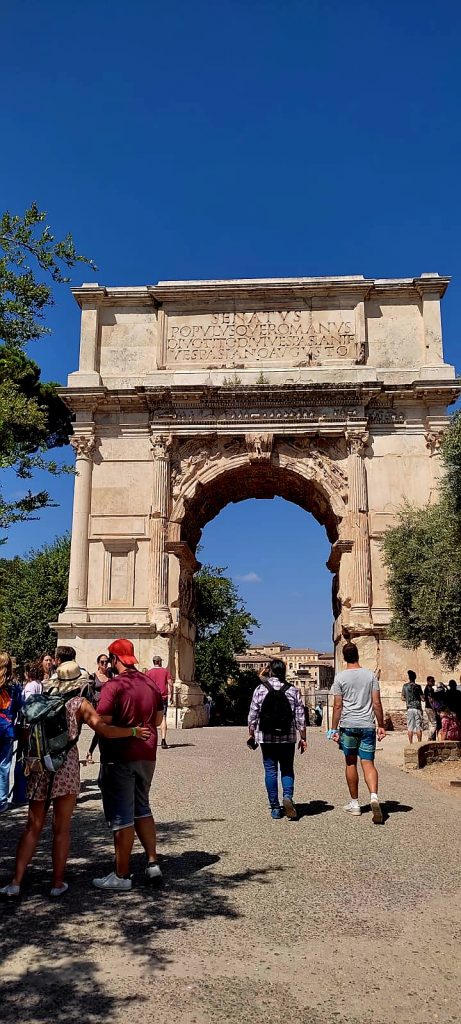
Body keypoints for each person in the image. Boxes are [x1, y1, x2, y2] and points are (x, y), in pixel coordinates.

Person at [0, 659, 150, 898]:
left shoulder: (39, 702)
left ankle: (15, 882)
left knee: (32, 826)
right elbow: (104, 730)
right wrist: (133, 731)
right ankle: (57, 883)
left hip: (40, 766)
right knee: (62, 828)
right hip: (66, 767)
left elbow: (26, 734)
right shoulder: (80, 703)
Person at [93, 638, 164, 892]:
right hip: (147, 753)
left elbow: (104, 722)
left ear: (113, 659)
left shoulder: (114, 686)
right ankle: (153, 862)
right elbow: (157, 718)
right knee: (142, 807)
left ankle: (121, 875)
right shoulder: (150, 683)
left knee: (122, 815)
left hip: (120, 755)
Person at [329, 641, 386, 824]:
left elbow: (338, 705)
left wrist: (333, 728)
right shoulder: (370, 676)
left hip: (348, 725)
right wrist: (381, 724)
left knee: (350, 762)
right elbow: (376, 703)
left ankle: (355, 804)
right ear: (358, 655)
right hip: (367, 725)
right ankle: (374, 797)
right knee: (368, 762)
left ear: (343, 657)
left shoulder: (340, 678)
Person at [248, 659, 307, 820]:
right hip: (287, 736)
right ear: (284, 671)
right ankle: (287, 796)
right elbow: (300, 716)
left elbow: (253, 713)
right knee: (287, 768)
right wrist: (303, 737)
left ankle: (275, 807)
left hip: (266, 736)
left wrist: (252, 731)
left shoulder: (261, 689)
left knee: (270, 770)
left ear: (270, 671)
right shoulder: (293, 690)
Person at [0, 653, 23, 813]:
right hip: (6, 729)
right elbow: (21, 708)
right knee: (4, 766)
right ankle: (1, 801)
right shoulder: (14, 686)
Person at [85, 654, 112, 763]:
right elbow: (89, 693)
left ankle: (93, 752)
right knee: (99, 730)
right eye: (102, 662)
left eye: (106, 661)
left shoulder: (111, 676)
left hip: (108, 707)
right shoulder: (93, 676)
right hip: (97, 707)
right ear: (98, 663)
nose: (104, 664)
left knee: (102, 731)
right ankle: (97, 754)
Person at [146, 655, 173, 750]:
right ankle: (163, 740)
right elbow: (170, 684)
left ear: (153, 662)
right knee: (163, 718)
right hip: (163, 697)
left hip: (152, 697)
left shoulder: (148, 673)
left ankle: (149, 740)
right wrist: (172, 695)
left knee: (150, 718)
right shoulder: (165, 672)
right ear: (160, 662)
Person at [401, 670, 424, 744]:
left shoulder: (405, 686)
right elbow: (422, 698)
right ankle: (419, 743)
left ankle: (411, 743)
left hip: (409, 708)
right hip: (417, 708)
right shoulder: (418, 686)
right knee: (418, 726)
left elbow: (402, 697)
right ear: (415, 677)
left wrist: (408, 699)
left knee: (410, 727)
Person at [423, 676, 437, 740]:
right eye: (432, 681)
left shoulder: (428, 689)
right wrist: (434, 708)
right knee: (434, 724)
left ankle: (431, 737)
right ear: (428, 682)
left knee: (430, 723)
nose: (434, 682)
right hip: (430, 708)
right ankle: (430, 736)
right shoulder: (429, 690)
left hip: (427, 707)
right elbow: (430, 700)